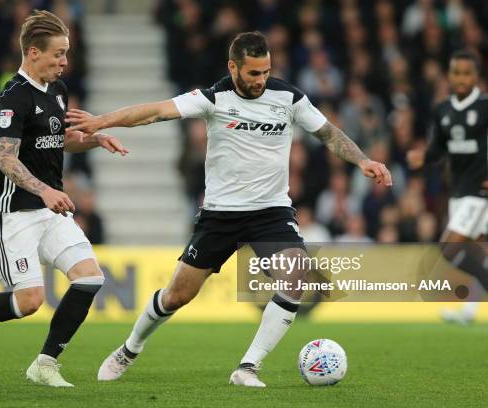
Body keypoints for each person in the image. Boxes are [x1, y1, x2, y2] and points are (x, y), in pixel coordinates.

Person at [66, 31, 392, 387]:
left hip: (271, 212)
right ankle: (129, 348)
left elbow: (327, 133)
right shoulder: (213, 98)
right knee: (178, 295)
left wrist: (361, 160)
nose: (261, 80)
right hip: (221, 214)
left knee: (296, 277)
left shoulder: (289, 97)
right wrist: (101, 122)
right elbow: (155, 112)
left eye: (266, 72)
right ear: (233, 67)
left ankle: (247, 367)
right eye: (253, 73)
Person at [0, 10, 128, 387]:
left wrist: (95, 139)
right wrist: (46, 189)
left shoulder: (57, 90)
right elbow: (6, 158)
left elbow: (58, 139)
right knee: (29, 302)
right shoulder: (14, 97)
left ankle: (45, 363)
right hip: (14, 212)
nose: (65, 62)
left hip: (49, 209)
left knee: (89, 278)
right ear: (33, 53)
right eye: (58, 54)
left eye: (67, 53)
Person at [407, 50, 487, 325]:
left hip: (480, 191)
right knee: (479, 252)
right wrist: (423, 156)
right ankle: (469, 312)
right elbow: (438, 149)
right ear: (450, 76)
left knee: (449, 249)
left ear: (476, 76)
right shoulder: (443, 110)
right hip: (458, 192)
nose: (461, 78)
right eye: (456, 73)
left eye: (467, 73)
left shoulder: (485, 107)